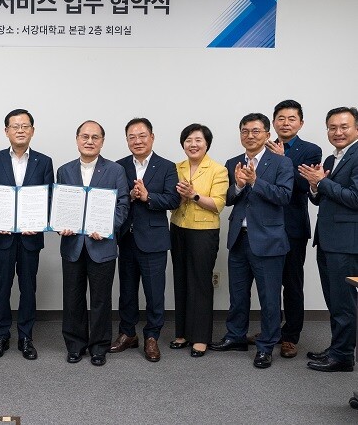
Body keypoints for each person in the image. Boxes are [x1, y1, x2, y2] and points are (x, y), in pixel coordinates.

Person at [210, 113, 293, 369]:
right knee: (238, 294)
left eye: (256, 131)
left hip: (268, 241)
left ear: (267, 134)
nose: (250, 136)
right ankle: (235, 336)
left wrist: (256, 181)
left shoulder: (281, 162)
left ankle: (266, 345)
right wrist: (237, 185)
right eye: (245, 131)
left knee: (269, 298)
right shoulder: (233, 161)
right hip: (239, 239)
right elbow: (229, 198)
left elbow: (284, 196)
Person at [253, 100, 321, 358]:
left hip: (291, 226)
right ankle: (271, 330)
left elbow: (305, 186)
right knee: (269, 283)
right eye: (280, 118)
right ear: (273, 123)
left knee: (291, 283)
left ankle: (290, 335)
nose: (285, 123)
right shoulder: (262, 149)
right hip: (264, 226)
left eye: (291, 118)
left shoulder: (310, 150)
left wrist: (283, 160)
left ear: (301, 123)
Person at [0, 109, 54, 360]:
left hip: (30, 237)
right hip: (2, 238)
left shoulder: (44, 161)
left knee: (28, 288)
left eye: (25, 126)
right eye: (15, 126)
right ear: (7, 132)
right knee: (1, 289)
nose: (20, 130)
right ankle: (1, 336)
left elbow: (48, 198)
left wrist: (38, 222)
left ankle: (26, 337)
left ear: (33, 131)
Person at [58, 120, 128, 367]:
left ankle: (99, 347)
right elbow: (60, 205)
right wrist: (60, 225)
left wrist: (107, 227)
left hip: (102, 246)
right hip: (73, 245)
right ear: (77, 139)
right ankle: (75, 345)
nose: (89, 141)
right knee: (73, 297)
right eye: (85, 137)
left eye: (95, 137)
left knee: (100, 299)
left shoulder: (115, 170)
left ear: (102, 141)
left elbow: (123, 206)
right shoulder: (64, 170)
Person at [110, 118, 180, 362]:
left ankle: (151, 336)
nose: (137, 140)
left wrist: (148, 197)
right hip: (126, 239)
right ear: (127, 140)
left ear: (152, 137)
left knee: (154, 292)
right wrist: (129, 196)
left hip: (154, 239)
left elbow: (173, 200)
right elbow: (112, 200)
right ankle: (127, 333)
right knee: (126, 291)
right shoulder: (118, 167)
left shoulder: (167, 166)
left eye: (142, 135)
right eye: (132, 136)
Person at [299, 106, 358, 372]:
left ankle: (343, 356)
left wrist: (321, 183)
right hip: (328, 239)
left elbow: (355, 199)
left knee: (344, 302)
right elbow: (323, 197)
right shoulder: (334, 159)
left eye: (344, 126)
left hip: (346, 242)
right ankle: (338, 348)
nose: (337, 132)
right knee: (334, 300)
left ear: (356, 128)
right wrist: (315, 186)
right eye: (332, 127)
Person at [169, 124, 228, 357]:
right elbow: (171, 199)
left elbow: (218, 205)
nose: (193, 144)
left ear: (207, 144)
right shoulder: (176, 167)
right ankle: (182, 333)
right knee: (181, 279)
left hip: (204, 231)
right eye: (188, 140)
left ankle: (201, 337)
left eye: (198, 140)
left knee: (201, 283)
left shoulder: (218, 170)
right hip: (178, 227)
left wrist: (192, 195)